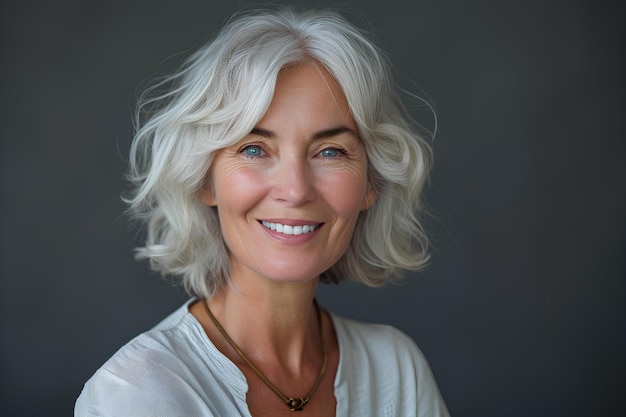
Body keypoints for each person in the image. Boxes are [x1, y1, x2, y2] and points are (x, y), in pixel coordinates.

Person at [75, 8, 450, 417]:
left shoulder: (396, 370)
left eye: (330, 151)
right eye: (253, 149)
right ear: (204, 179)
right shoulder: (136, 393)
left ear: (371, 183)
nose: (295, 190)